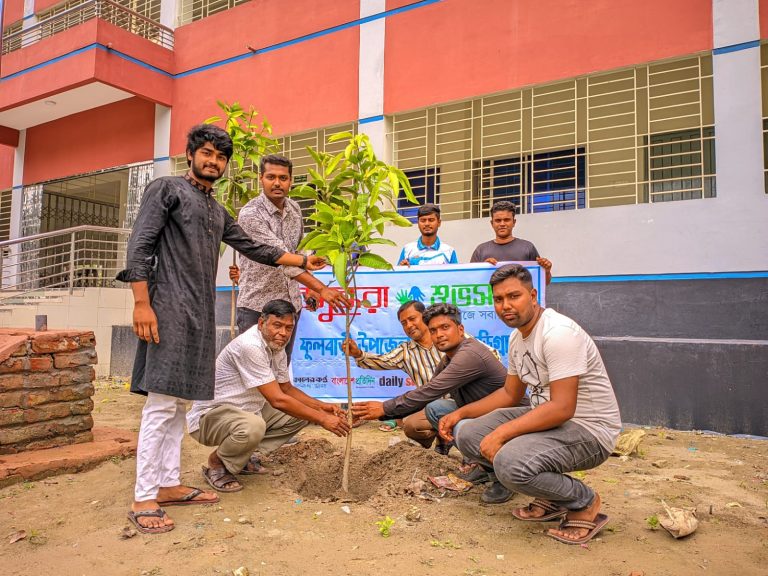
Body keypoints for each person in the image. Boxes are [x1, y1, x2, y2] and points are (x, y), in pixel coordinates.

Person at [117, 124, 328, 535]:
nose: (214, 161)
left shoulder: (215, 210)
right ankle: (144, 495)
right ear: (191, 154)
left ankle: (167, 483)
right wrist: (141, 303)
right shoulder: (167, 189)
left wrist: (301, 260)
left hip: (199, 315)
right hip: (167, 308)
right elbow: (140, 246)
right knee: (160, 406)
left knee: (178, 405)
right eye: (207, 153)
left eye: (221, 157)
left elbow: (254, 247)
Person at [441, 264, 621, 545]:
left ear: (533, 295)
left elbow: (562, 408)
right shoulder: (517, 337)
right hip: (551, 420)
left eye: (514, 296)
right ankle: (553, 496)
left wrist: (502, 434)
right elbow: (510, 394)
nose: (505, 305)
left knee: (510, 462)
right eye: (499, 299)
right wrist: (460, 413)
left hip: (589, 429)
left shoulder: (558, 334)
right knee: (467, 432)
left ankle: (583, 502)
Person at [187, 300, 350, 492]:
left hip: (246, 412)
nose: (283, 333)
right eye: (277, 325)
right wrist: (322, 419)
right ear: (261, 323)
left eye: (288, 328)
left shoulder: (276, 347)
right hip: (210, 418)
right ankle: (217, 463)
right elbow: (277, 399)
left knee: (298, 415)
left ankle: (242, 456)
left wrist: (320, 407)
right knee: (254, 426)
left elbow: (287, 389)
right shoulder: (250, 346)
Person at [352, 303, 510, 467]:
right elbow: (427, 393)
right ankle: (469, 455)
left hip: (496, 411)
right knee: (434, 409)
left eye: (444, 327)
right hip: (462, 406)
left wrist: (384, 409)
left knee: (461, 425)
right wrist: (384, 412)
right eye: (433, 330)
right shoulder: (443, 357)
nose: (439, 335)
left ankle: (489, 468)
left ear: (460, 329)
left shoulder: (467, 352)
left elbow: (431, 390)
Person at [228, 154, 347, 362]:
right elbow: (283, 259)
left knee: (282, 369)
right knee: (256, 377)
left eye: (283, 178)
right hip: (257, 308)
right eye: (271, 177)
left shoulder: (295, 209)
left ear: (290, 181)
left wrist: (310, 287)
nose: (277, 183)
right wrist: (321, 288)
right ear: (261, 179)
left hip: (291, 306)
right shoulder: (250, 214)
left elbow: (300, 251)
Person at [342, 300, 442, 439]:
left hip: (461, 403)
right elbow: (382, 361)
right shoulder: (405, 351)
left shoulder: (446, 339)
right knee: (411, 425)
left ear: (425, 316)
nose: (409, 325)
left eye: (412, 319)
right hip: (431, 407)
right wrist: (358, 354)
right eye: (404, 323)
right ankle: (439, 440)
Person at [470, 201, 553, 284]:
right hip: (491, 297)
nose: (502, 224)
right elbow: (469, 280)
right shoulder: (481, 250)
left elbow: (544, 282)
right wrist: (483, 269)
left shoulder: (527, 247)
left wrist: (546, 271)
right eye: (498, 220)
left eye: (506, 220)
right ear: (492, 223)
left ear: (514, 222)